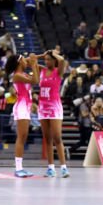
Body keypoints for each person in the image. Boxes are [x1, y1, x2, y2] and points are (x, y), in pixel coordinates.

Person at [6, 52, 39, 177]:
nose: (27, 62)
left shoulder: (23, 74)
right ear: (20, 62)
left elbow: (37, 79)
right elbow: (35, 80)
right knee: (21, 137)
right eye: (24, 60)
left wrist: (34, 63)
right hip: (21, 107)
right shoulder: (17, 75)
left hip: (26, 107)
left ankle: (20, 167)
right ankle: (18, 168)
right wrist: (34, 63)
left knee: (23, 137)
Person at [38, 49, 69, 178]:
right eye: (45, 60)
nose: (46, 61)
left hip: (55, 107)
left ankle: (63, 167)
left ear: (54, 60)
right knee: (48, 139)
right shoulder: (42, 70)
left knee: (57, 137)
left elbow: (62, 60)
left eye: (49, 59)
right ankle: (51, 168)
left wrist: (54, 53)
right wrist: (42, 54)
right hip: (42, 107)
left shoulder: (58, 71)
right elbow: (29, 60)